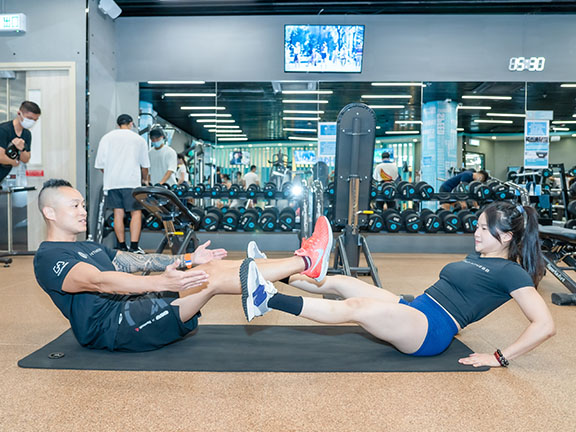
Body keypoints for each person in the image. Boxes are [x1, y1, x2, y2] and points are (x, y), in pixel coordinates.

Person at [33, 179, 332, 352]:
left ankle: (302, 262)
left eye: (83, 205)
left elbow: (134, 261)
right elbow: (100, 281)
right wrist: (160, 282)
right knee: (211, 280)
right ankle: (305, 261)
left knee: (210, 269)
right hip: (113, 328)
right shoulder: (48, 257)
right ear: (50, 212)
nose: (83, 211)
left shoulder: (87, 246)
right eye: (75, 206)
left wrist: (189, 260)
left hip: (132, 305)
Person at [242, 203, 556, 368]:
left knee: (357, 308)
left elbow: (545, 325)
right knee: (340, 282)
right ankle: (270, 272)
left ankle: (266, 300)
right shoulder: (479, 257)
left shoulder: (512, 273)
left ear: (506, 237)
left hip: (430, 330)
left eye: (484, 229)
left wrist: (499, 357)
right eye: (477, 226)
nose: (476, 233)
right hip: (415, 307)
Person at [94, 114, 150, 253]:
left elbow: (100, 165)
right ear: (131, 124)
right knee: (136, 213)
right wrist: (145, 180)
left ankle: (122, 246)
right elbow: (145, 165)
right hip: (131, 182)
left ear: (118, 124)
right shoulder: (138, 139)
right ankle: (134, 247)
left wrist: (111, 174)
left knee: (118, 213)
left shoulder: (107, 138)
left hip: (113, 183)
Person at [0, 101, 41, 185]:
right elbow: (1, 157)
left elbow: (26, 159)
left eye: (35, 120)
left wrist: (22, 148)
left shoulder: (27, 134)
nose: (32, 122)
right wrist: (15, 162)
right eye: (29, 118)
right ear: (19, 113)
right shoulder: (3, 130)